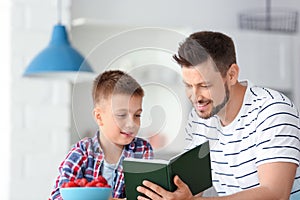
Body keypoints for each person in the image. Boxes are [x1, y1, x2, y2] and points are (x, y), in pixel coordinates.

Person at [137, 31, 300, 200]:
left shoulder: (272, 111)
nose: (195, 97)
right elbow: (189, 189)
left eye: (204, 85)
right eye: (188, 85)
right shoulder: (203, 119)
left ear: (231, 75)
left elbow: (275, 194)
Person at [49, 70, 154, 199]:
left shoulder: (142, 150)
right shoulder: (82, 152)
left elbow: (145, 194)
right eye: (121, 115)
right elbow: (58, 195)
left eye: (137, 115)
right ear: (99, 117)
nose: (131, 124)